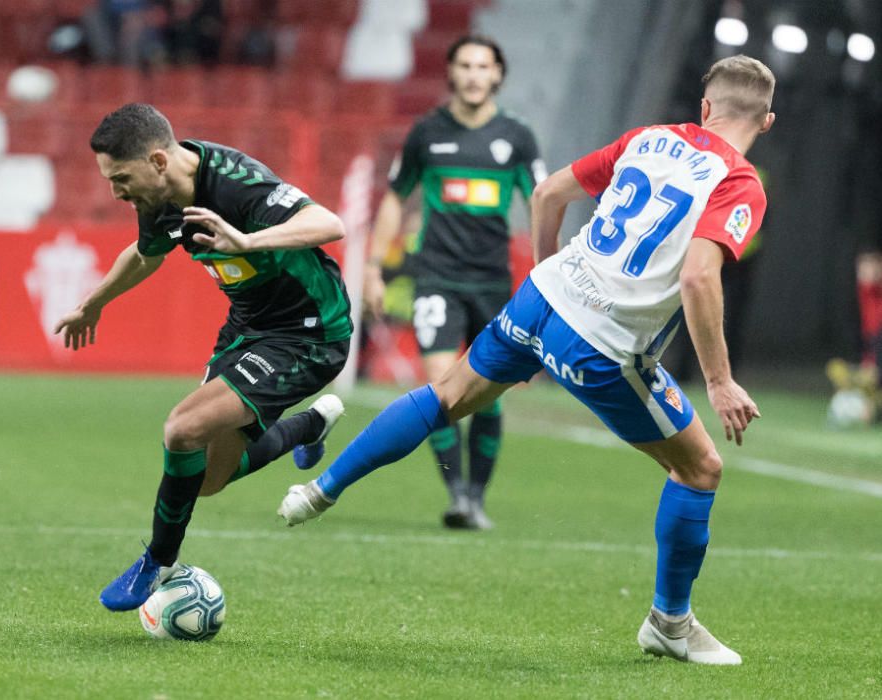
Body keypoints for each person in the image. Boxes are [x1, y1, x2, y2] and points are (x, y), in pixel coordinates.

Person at [280, 55, 776, 665]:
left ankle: (320, 490)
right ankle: (669, 625)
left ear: (704, 109)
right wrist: (721, 382)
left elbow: (549, 193)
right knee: (700, 468)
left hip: (542, 296)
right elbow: (700, 277)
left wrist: (547, 269)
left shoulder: (650, 138)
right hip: (603, 343)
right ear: (767, 122)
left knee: (446, 397)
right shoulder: (739, 181)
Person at [54, 103, 353, 612]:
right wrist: (93, 303)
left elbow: (330, 222)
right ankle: (308, 427)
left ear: (158, 160)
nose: (116, 192)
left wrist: (248, 239)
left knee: (182, 429)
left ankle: (158, 561)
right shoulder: (156, 195)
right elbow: (146, 253)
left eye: (121, 178)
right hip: (248, 328)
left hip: (310, 333)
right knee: (208, 478)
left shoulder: (237, 184)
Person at [364, 34, 546, 529]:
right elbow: (396, 199)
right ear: (451, 73)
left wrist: (552, 272)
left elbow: (542, 204)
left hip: (493, 284)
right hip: (437, 278)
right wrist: (374, 266)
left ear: (498, 75)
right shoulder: (426, 133)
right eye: (463, 64)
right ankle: (457, 496)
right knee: (441, 390)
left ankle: (476, 495)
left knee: (488, 392)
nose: (472, 74)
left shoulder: (518, 136)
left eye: (482, 66)